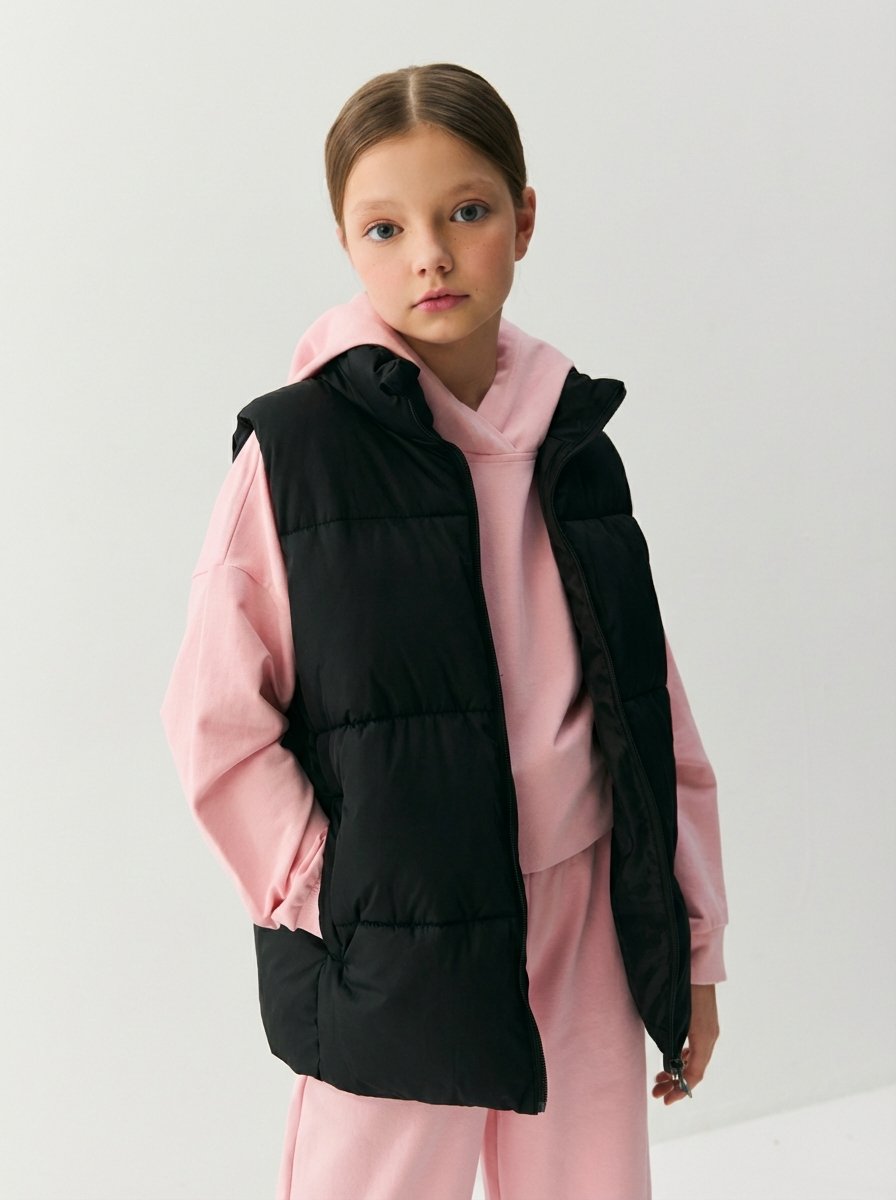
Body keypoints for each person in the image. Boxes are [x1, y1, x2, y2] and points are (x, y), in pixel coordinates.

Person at [160, 62, 728, 1200]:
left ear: (523, 219)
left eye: (466, 212)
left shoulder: (575, 444)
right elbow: (214, 722)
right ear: (346, 242)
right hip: (403, 930)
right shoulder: (297, 457)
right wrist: (335, 890)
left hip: (582, 909)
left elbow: (649, 709)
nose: (429, 253)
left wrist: (692, 949)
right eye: (386, 227)